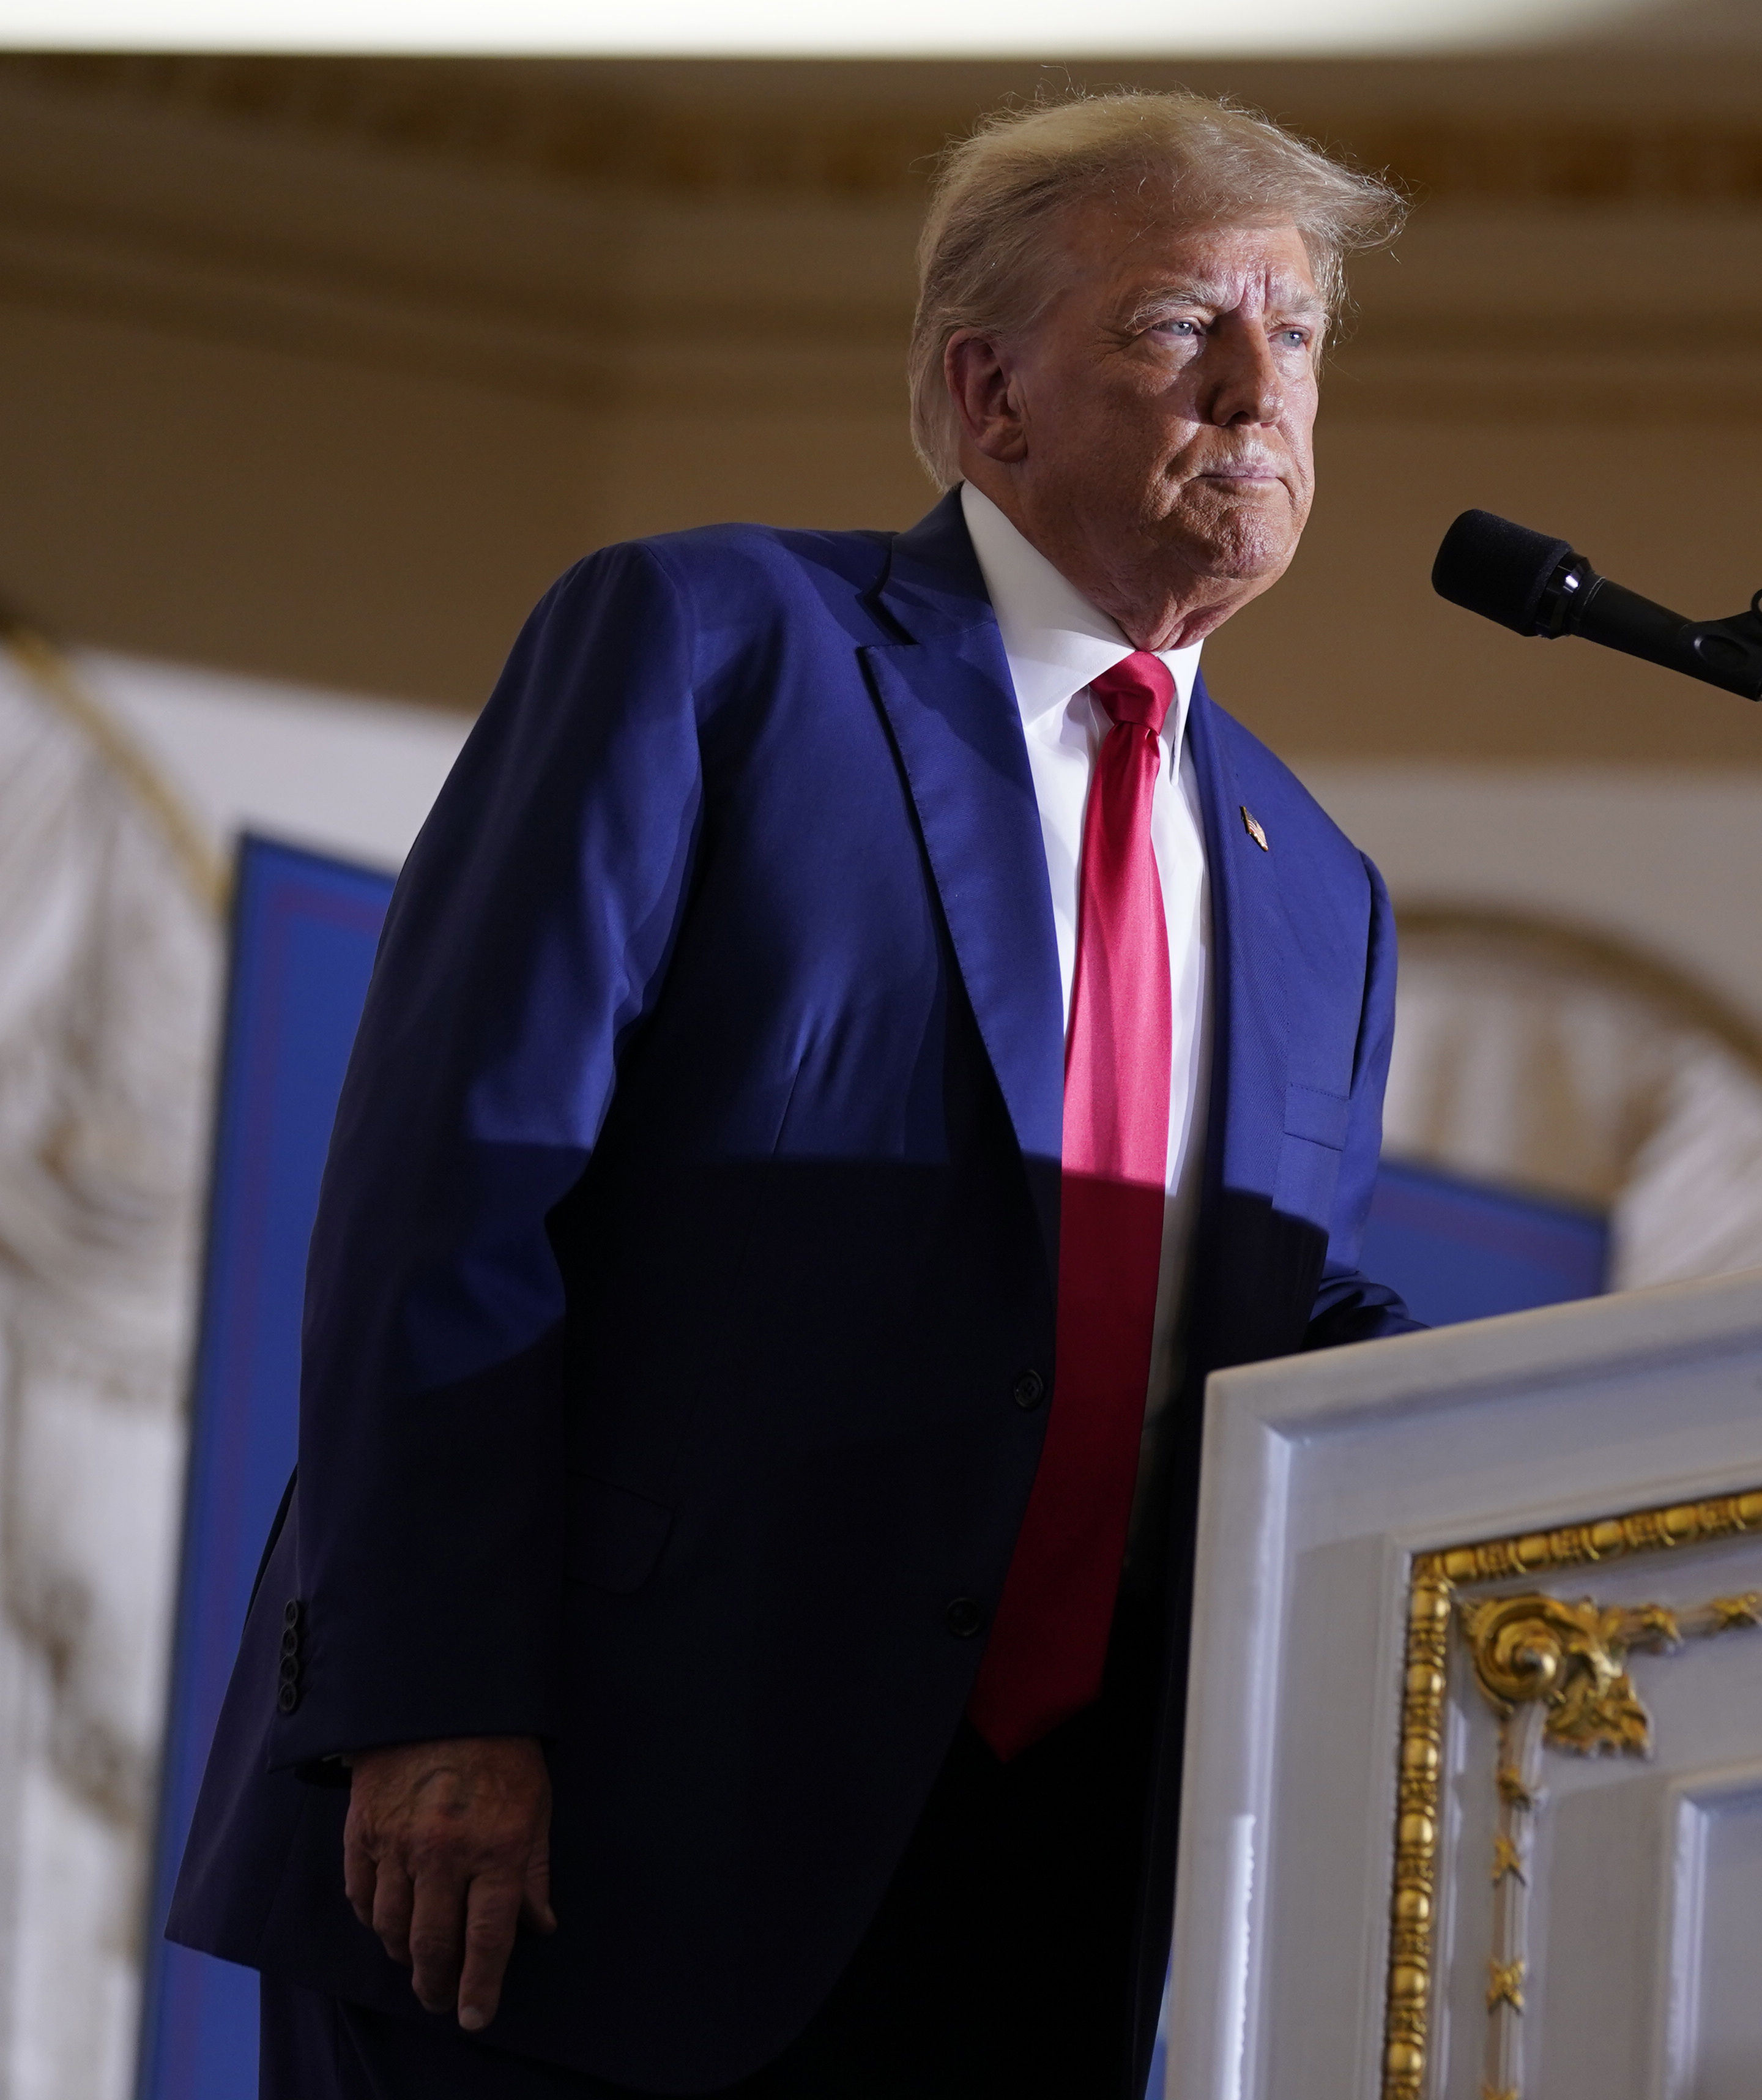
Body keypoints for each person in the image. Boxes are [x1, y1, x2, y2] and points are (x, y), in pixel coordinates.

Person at [166, 91, 1417, 2098]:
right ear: (987, 396)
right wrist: (434, 1704)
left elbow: (1255, 1330)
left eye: (1302, 333)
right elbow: (452, 1198)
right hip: (585, 1832)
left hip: (1038, 1889)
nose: (1264, 390)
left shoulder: (1317, 888)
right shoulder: (713, 649)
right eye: (1187, 326)